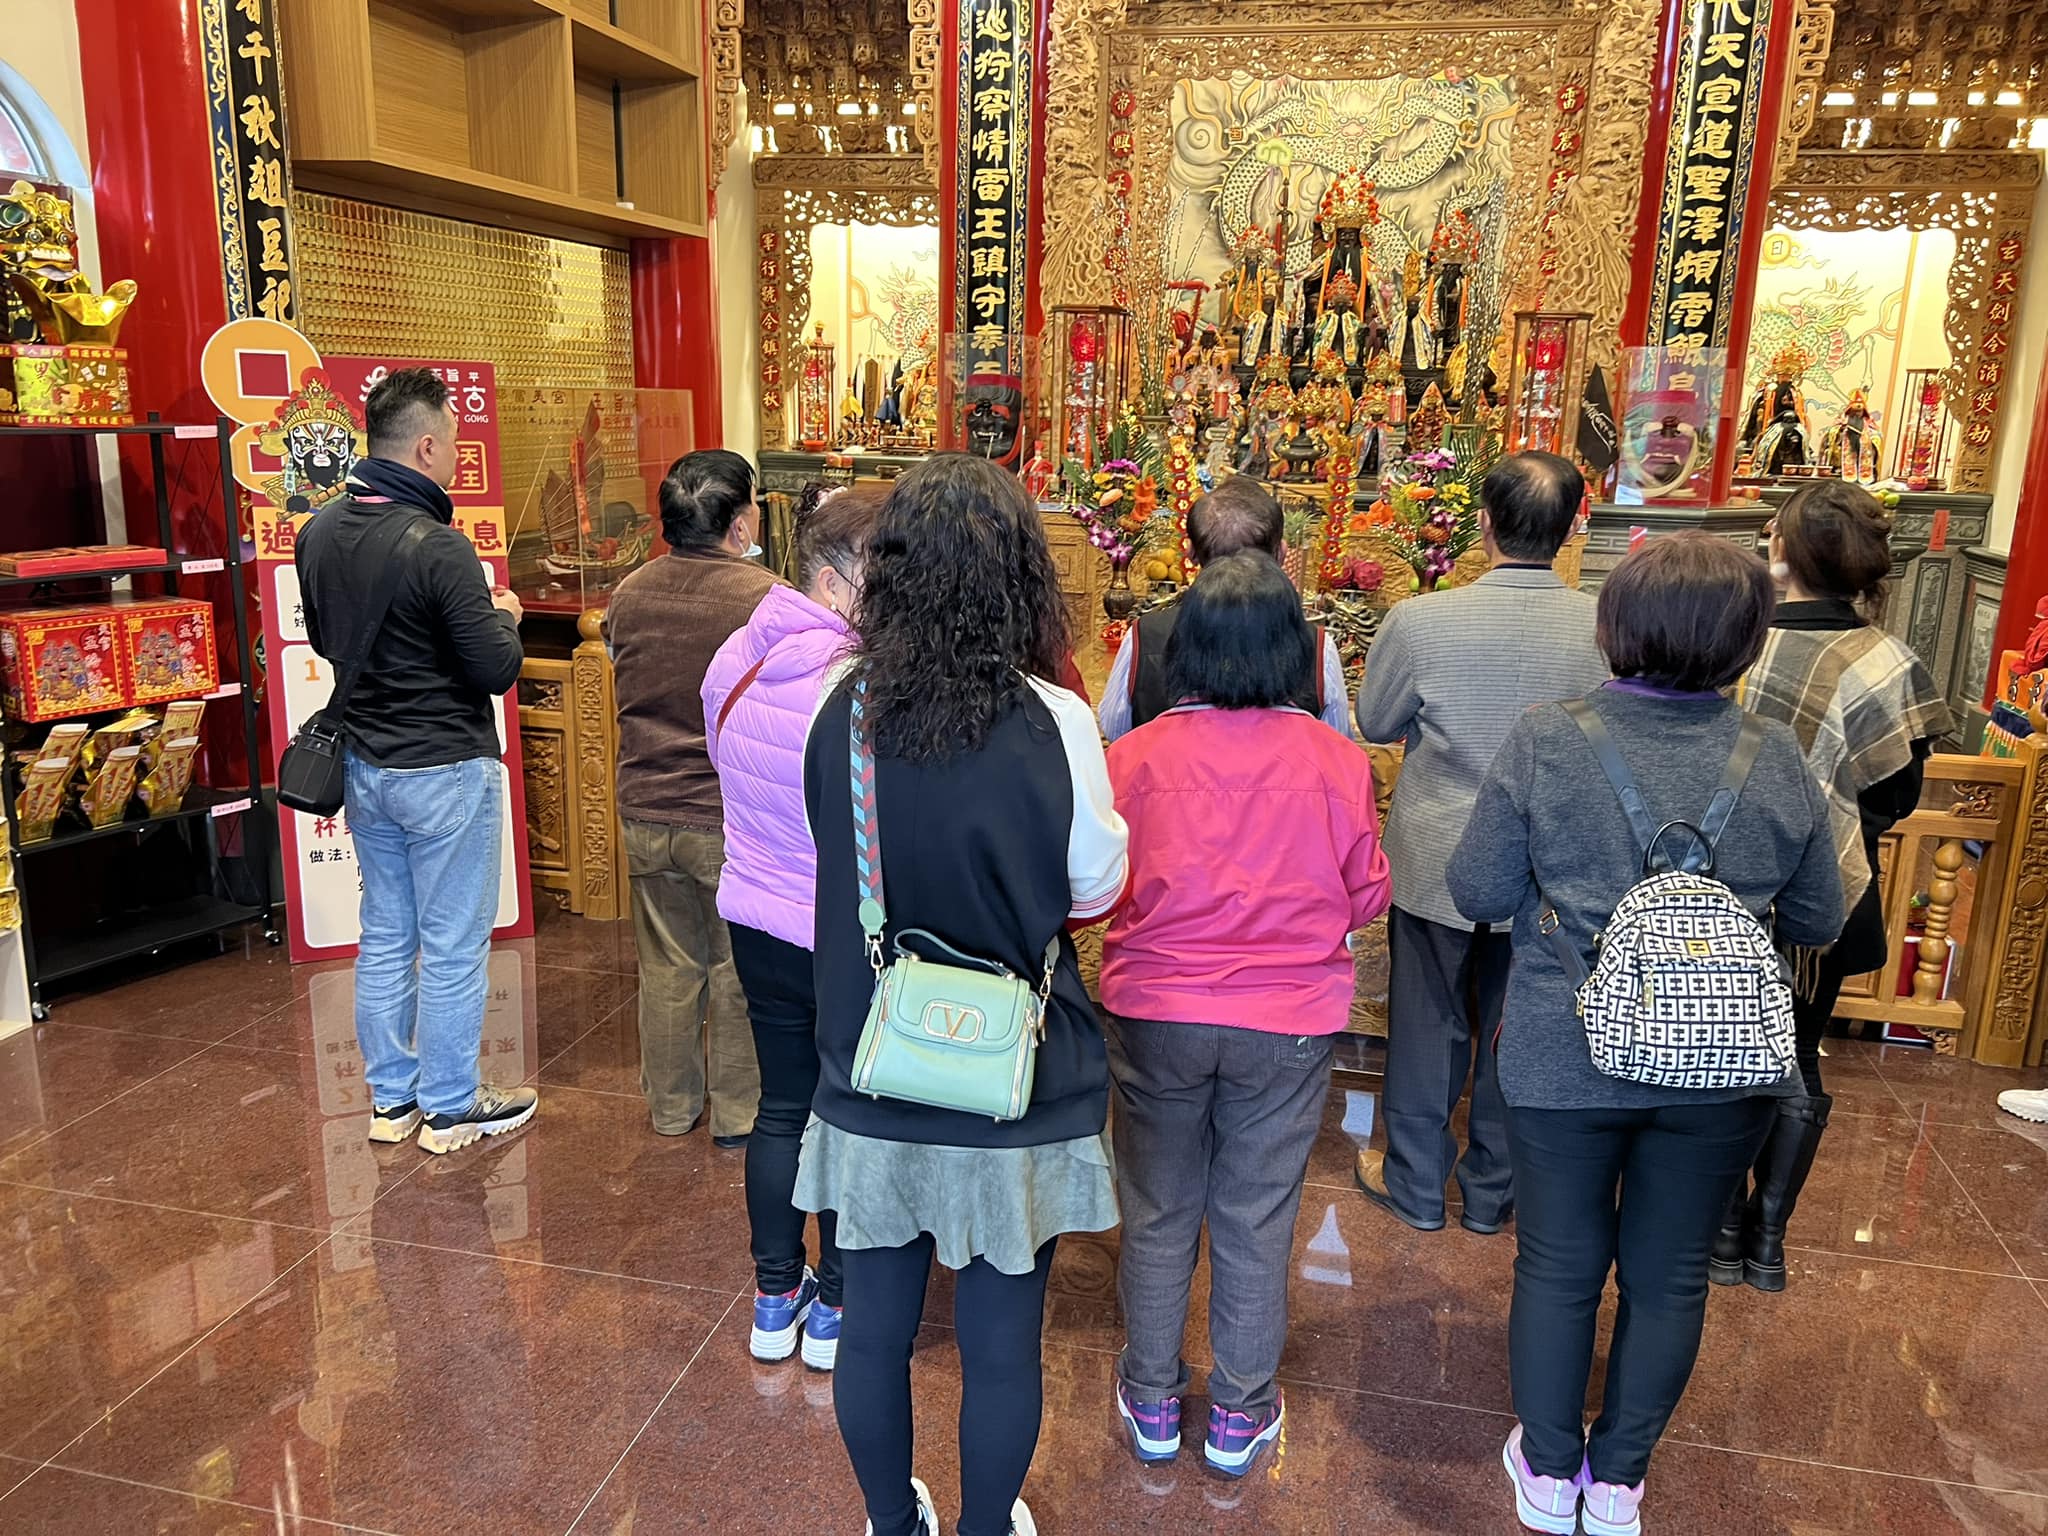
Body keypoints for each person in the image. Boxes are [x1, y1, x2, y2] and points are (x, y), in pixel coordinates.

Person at [1446, 533, 1844, 1536]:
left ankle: (1548, 1473)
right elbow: (1816, 918)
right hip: (1722, 1062)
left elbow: (1477, 889)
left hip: (1562, 1047)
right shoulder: (1776, 753)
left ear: (1611, 625)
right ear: (1747, 641)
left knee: (1556, 1264)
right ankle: (1617, 1481)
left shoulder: (1546, 738)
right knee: (1668, 1275)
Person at [796, 454, 1129, 1536]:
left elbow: (837, 857)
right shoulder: (1056, 720)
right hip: (1011, 1073)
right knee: (1000, 1346)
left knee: (873, 1329)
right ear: (1021, 577)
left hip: (875, 1057)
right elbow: (1094, 889)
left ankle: (893, 1523)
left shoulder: (841, 710)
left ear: (889, 572)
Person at [1100, 551, 1392, 1477]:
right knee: (1257, 1214)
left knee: (1156, 1208)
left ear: (1183, 649)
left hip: (1155, 1010)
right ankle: (1239, 1413)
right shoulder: (1335, 760)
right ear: (1293, 653)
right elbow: (1368, 895)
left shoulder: (1131, 758)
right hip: (1289, 1018)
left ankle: (1152, 1397)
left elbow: (1096, 888)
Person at [1352, 451, 1609, 1233]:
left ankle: (1415, 1183)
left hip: (1438, 849)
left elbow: (1377, 721)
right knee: (1519, 1020)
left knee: (1426, 1022)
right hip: (1547, 858)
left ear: (1484, 523)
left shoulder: (1421, 620)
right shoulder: (1604, 625)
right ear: (1571, 529)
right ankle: (1493, 1193)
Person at [296, 367, 534, 1155]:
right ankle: (451, 1105)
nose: (459, 457)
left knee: (387, 935)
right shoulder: (441, 547)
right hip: (445, 770)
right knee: (454, 943)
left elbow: (328, 642)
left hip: (367, 767)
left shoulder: (317, 533)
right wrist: (505, 616)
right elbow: (494, 669)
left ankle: (391, 1102)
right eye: (454, 443)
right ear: (426, 446)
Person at [1722, 482, 1948, 1290]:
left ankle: (1719, 1230)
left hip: (1726, 887)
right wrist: (1827, 826)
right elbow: (1897, 794)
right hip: (1833, 891)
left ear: (1781, 551)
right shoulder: (1889, 661)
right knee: (1796, 1053)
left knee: (1720, 1053)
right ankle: (1768, 1241)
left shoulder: (1735, 640)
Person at [702, 484, 883, 1370]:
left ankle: (775, 1296)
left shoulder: (734, 658)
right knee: (844, 1109)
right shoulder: (857, 684)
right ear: (831, 578)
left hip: (753, 912)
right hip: (838, 930)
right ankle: (839, 1301)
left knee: (780, 1105)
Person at [607, 449, 777, 1146]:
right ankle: (738, 1117)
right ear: (739, 524)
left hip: (644, 805)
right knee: (737, 968)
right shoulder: (764, 600)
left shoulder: (629, 593)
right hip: (728, 817)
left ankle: (672, 1109)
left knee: (666, 965)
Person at [1098, 476, 1351, 740]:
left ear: (1190, 553)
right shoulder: (1318, 647)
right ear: (1281, 554)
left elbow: (1116, 731)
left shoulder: (1144, 636)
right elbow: (1335, 742)